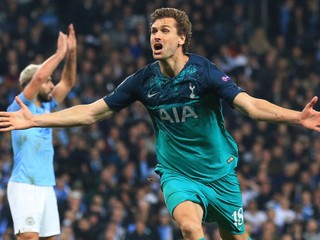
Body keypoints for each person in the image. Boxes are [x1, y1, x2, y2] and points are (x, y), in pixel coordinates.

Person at [1, 8, 320, 240]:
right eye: (153, 31)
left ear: (182, 38)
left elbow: (250, 106)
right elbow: (91, 112)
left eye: (164, 30)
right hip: (177, 173)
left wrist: (296, 116)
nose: (156, 35)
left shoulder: (204, 72)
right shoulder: (142, 81)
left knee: (236, 236)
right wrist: (35, 119)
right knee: (190, 227)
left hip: (219, 173)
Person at [4, 24, 77, 240]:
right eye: (48, 81)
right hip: (25, 185)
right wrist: (59, 54)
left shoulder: (46, 107)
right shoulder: (19, 105)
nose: (52, 85)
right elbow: (37, 78)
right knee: (29, 238)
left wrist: (71, 54)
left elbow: (69, 81)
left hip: (46, 186)